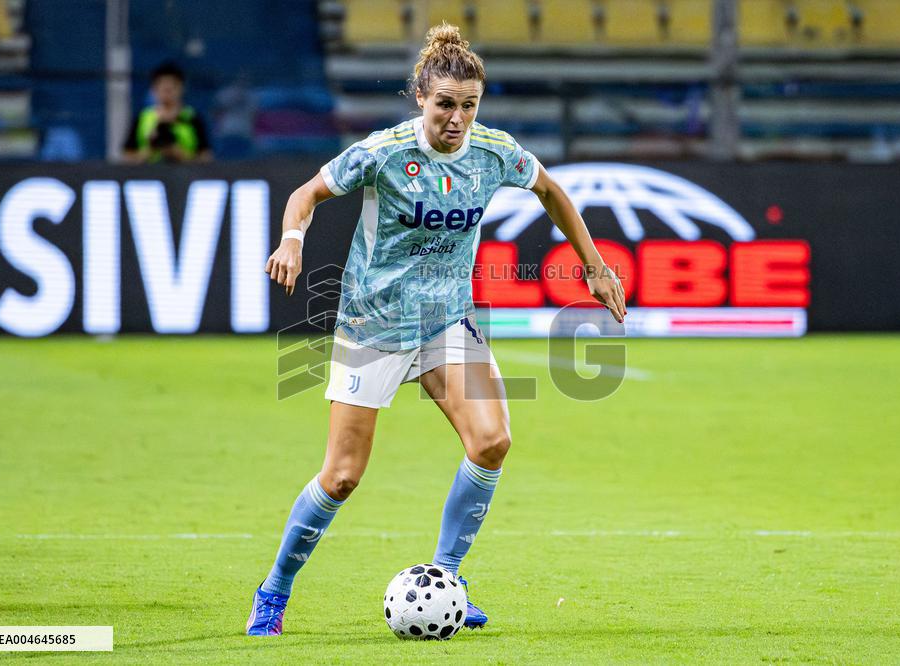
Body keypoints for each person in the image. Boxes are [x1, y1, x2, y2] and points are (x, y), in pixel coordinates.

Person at [247, 23, 626, 636]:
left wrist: (595, 266)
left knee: (492, 441)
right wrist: (292, 241)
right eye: (446, 104)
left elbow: (551, 190)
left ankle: (447, 578)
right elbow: (306, 194)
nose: (457, 118)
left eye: (469, 105)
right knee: (342, 476)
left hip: (446, 318)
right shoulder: (383, 153)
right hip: (372, 323)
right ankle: (274, 590)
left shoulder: (493, 152)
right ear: (420, 98)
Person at [122, 62, 213, 164]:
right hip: (149, 176)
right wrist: (150, 150)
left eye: (172, 88)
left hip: (185, 177)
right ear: (154, 89)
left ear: (181, 88)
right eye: (163, 87)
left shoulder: (193, 118)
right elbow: (126, 158)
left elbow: (206, 158)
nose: (167, 92)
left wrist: (178, 153)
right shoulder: (142, 118)